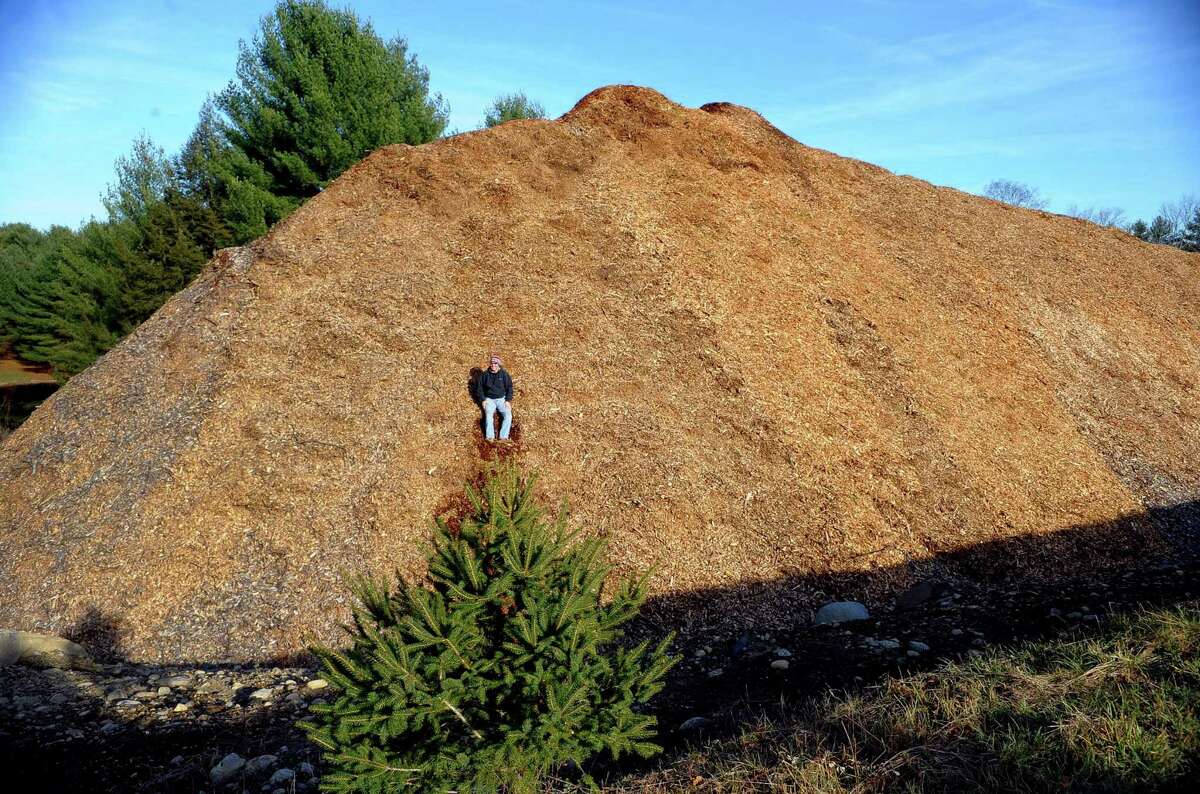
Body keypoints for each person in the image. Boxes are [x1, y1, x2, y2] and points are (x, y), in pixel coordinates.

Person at [476, 354, 513, 441]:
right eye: (492, 363)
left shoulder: (504, 374)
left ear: (499, 364)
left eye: (496, 363)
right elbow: (480, 388)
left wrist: (507, 400)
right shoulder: (485, 375)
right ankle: (490, 437)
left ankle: (503, 437)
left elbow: (509, 387)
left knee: (508, 415)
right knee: (488, 414)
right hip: (489, 399)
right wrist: (483, 400)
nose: (493, 365)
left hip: (501, 399)